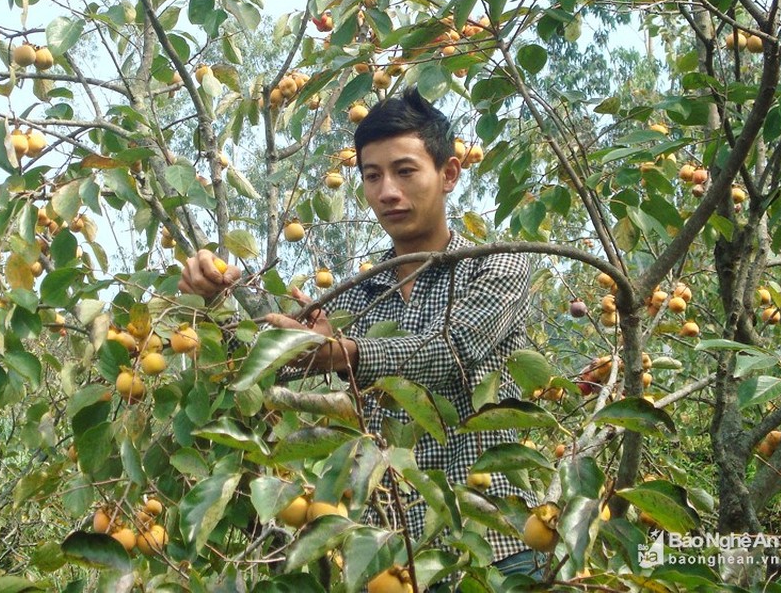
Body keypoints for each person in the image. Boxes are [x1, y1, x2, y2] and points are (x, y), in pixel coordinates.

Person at [179, 87, 543, 583]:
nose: (387, 191)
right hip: (387, 562)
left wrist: (343, 354)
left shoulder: (495, 264)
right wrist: (213, 304)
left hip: (499, 548)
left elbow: (453, 352)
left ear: (449, 173)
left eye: (405, 170)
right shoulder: (355, 298)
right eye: (372, 176)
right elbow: (271, 373)